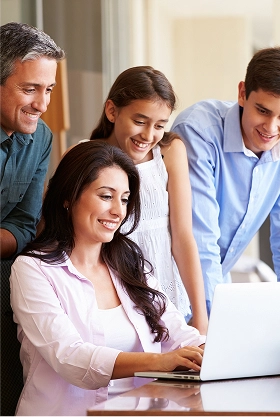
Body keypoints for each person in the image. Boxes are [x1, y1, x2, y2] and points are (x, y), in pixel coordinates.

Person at [10, 141, 205, 416]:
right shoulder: (32, 269)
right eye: (106, 196)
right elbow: (70, 357)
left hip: (141, 411)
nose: (118, 211)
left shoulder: (130, 261)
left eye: (124, 199)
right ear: (68, 197)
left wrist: (208, 350)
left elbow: (175, 331)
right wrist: (159, 362)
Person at [171, 47, 280, 312]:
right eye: (262, 110)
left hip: (216, 284)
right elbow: (201, 239)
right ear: (242, 93)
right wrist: (216, 321)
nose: (271, 128)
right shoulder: (198, 131)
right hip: (170, 288)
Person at [88, 66, 208, 334]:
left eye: (160, 125)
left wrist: (201, 314)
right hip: (114, 289)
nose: (148, 135)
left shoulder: (169, 151)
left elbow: (183, 236)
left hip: (166, 288)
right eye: (140, 121)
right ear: (112, 111)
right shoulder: (87, 156)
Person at [0, 21, 65, 416]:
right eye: (30, 89)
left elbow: (25, 224)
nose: (42, 105)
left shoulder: (40, 138)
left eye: (49, 90)